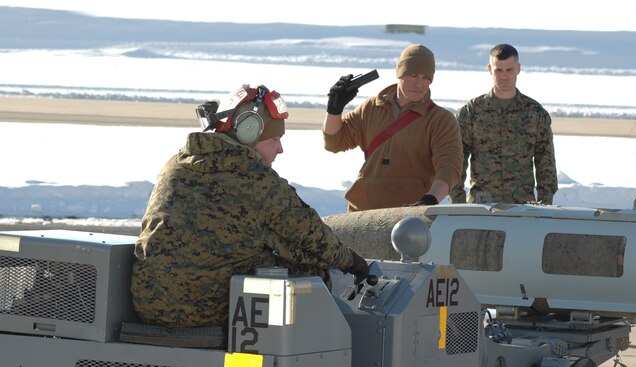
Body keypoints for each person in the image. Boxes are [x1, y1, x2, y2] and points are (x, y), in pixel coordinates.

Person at [131, 83, 370, 329]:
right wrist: (351, 261)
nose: (280, 149)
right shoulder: (255, 179)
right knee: (313, 275)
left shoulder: (178, 164)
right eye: (275, 139)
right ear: (248, 132)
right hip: (206, 311)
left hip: (149, 305)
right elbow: (313, 237)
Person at [323, 44, 463, 211]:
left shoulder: (441, 120)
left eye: (426, 77)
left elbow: (449, 168)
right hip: (363, 213)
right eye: (413, 75)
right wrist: (334, 109)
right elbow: (334, 143)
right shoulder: (370, 108)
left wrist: (430, 199)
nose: (419, 84)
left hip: (411, 217)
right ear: (400, 73)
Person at [450, 43, 557, 205]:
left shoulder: (535, 113)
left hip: (522, 207)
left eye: (509, 70)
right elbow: (457, 159)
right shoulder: (472, 112)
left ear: (518, 69)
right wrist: (457, 203)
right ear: (489, 69)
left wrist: (545, 204)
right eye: (498, 70)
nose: (504, 76)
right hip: (482, 207)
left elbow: (545, 162)